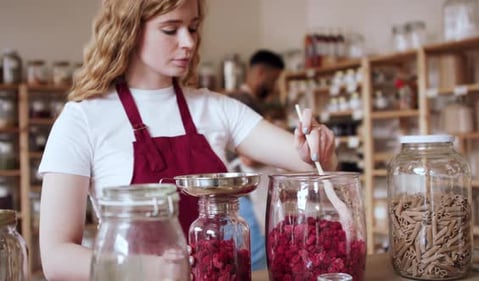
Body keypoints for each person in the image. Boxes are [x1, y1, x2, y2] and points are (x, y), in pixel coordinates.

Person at [38, 0, 337, 280]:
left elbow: (313, 164)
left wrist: (315, 145)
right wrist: (153, 269)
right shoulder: (82, 119)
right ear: (128, 28)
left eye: (193, 28)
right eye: (171, 29)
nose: (189, 42)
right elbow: (56, 258)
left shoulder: (216, 108)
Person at [227, 49, 286, 270]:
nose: (274, 87)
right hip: (245, 196)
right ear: (260, 73)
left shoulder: (240, 100)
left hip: (245, 194)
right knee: (257, 258)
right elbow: (250, 157)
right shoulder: (243, 103)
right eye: (273, 80)